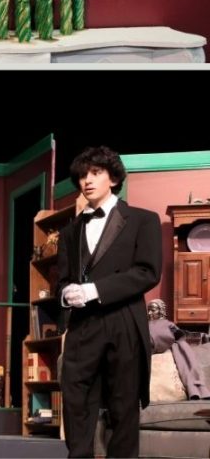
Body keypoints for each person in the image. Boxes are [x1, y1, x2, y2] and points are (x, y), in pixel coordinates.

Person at [56, 146, 161, 458]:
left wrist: (94, 290)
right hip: (83, 325)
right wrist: (66, 293)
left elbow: (147, 272)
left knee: (123, 403)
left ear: (114, 178)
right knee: (75, 399)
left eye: (95, 173)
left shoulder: (143, 220)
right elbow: (62, 279)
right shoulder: (70, 231)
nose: (87, 180)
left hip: (123, 320)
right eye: (82, 175)